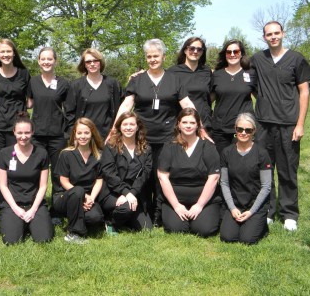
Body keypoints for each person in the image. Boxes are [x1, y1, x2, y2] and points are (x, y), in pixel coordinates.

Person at [112, 38, 195, 225]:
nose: (152, 59)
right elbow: (127, 105)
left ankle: (160, 215)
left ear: (163, 57)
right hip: (142, 137)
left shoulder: (175, 79)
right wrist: (114, 127)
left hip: (167, 136)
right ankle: (143, 211)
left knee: (162, 176)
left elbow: (186, 104)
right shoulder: (137, 79)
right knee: (142, 175)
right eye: (149, 56)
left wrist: (200, 127)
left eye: (156, 56)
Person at [251, 21, 310, 231]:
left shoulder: (297, 59)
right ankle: (268, 210)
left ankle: (289, 213)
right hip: (264, 124)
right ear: (264, 36)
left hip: (288, 124)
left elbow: (304, 91)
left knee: (287, 170)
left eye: (276, 33)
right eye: (269, 34)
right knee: (265, 169)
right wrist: (267, 102)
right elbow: (252, 86)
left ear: (283, 34)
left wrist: (300, 123)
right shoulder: (258, 59)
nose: (273, 36)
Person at [157, 108, 221, 237]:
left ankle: (199, 216)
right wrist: (176, 206)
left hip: (204, 199)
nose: (188, 126)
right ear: (178, 124)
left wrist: (199, 205)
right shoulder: (169, 146)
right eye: (184, 122)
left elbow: (214, 177)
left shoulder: (207, 146)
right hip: (175, 199)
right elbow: (162, 176)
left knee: (204, 230)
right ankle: (181, 214)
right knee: (177, 229)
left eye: (192, 123)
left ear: (198, 125)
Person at [0, 38, 30, 207]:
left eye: (8, 51)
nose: (5, 54)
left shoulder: (24, 73)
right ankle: (3, 205)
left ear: (14, 53)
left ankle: (18, 201)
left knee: (16, 165)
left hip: (17, 127)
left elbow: (31, 98)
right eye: (2, 51)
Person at [0, 112, 54, 244]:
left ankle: (32, 222)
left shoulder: (41, 153)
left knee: (44, 239)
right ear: (14, 132)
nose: (23, 137)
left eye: (27, 133)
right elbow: (3, 186)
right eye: (20, 133)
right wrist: (16, 208)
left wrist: (33, 209)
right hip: (13, 204)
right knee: (11, 241)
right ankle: (19, 222)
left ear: (32, 132)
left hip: (35, 204)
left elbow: (43, 186)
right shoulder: (4, 154)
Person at [27, 47, 69, 214]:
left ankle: (57, 210)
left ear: (55, 61)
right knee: (36, 172)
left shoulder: (64, 83)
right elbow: (28, 104)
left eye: (49, 59)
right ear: (38, 61)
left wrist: (68, 132)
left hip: (58, 135)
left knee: (58, 175)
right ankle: (37, 207)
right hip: (37, 135)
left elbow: (70, 108)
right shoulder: (33, 82)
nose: (46, 62)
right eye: (43, 59)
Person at [220, 113, 272, 244]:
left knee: (247, 240)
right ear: (235, 129)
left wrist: (251, 211)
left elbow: (266, 186)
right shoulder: (226, 152)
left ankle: (261, 225)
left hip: (255, 204)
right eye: (240, 129)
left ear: (254, 131)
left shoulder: (262, 153)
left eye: (248, 130)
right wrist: (232, 208)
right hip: (235, 203)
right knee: (228, 237)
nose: (243, 133)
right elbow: (224, 182)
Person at [99, 112, 153, 233]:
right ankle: (111, 222)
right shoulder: (111, 146)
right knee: (126, 208)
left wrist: (131, 193)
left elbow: (145, 174)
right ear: (119, 127)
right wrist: (125, 193)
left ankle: (125, 218)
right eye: (125, 124)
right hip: (113, 192)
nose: (128, 127)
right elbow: (109, 174)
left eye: (132, 124)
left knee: (146, 229)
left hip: (136, 193)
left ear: (137, 127)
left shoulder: (146, 148)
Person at [53, 117, 104, 243]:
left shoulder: (99, 155)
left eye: (86, 133)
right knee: (78, 191)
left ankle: (77, 218)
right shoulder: (66, 154)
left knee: (96, 218)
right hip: (66, 197)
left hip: (88, 198)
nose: (83, 136)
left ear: (92, 133)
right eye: (79, 133)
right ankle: (74, 233)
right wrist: (83, 196)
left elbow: (99, 179)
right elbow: (64, 181)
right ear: (74, 134)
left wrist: (91, 198)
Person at [64, 48, 123, 140]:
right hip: (84, 137)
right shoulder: (76, 85)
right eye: (88, 62)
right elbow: (69, 114)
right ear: (84, 65)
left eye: (95, 61)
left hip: (108, 136)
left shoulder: (113, 84)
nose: (92, 64)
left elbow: (122, 109)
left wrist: (115, 132)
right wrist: (74, 135)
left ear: (100, 62)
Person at [211, 39, 256, 154]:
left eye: (236, 51)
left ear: (241, 53)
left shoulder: (251, 73)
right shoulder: (217, 75)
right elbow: (209, 100)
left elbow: (261, 98)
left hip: (243, 129)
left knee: (241, 166)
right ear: (224, 54)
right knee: (221, 165)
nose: (232, 55)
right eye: (228, 52)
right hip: (220, 130)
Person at [168, 37, 213, 141]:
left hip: (204, 123)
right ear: (185, 50)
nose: (195, 51)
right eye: (191, 48)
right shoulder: (172, 72)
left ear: (202, 52)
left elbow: (211, 95)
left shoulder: (206, 71)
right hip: (182, 125)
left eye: (199, 49)